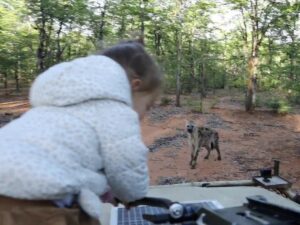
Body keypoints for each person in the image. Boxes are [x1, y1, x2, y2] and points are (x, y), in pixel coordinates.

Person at [0, 40, 163, 225]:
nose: (144, 115)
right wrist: (133, 196)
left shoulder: (55, 103)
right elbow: (127, 164)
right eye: (148, 106)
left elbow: (66, 156)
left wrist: (103, 188)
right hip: (38, 205)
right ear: (135, 86)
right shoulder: (115, 108)